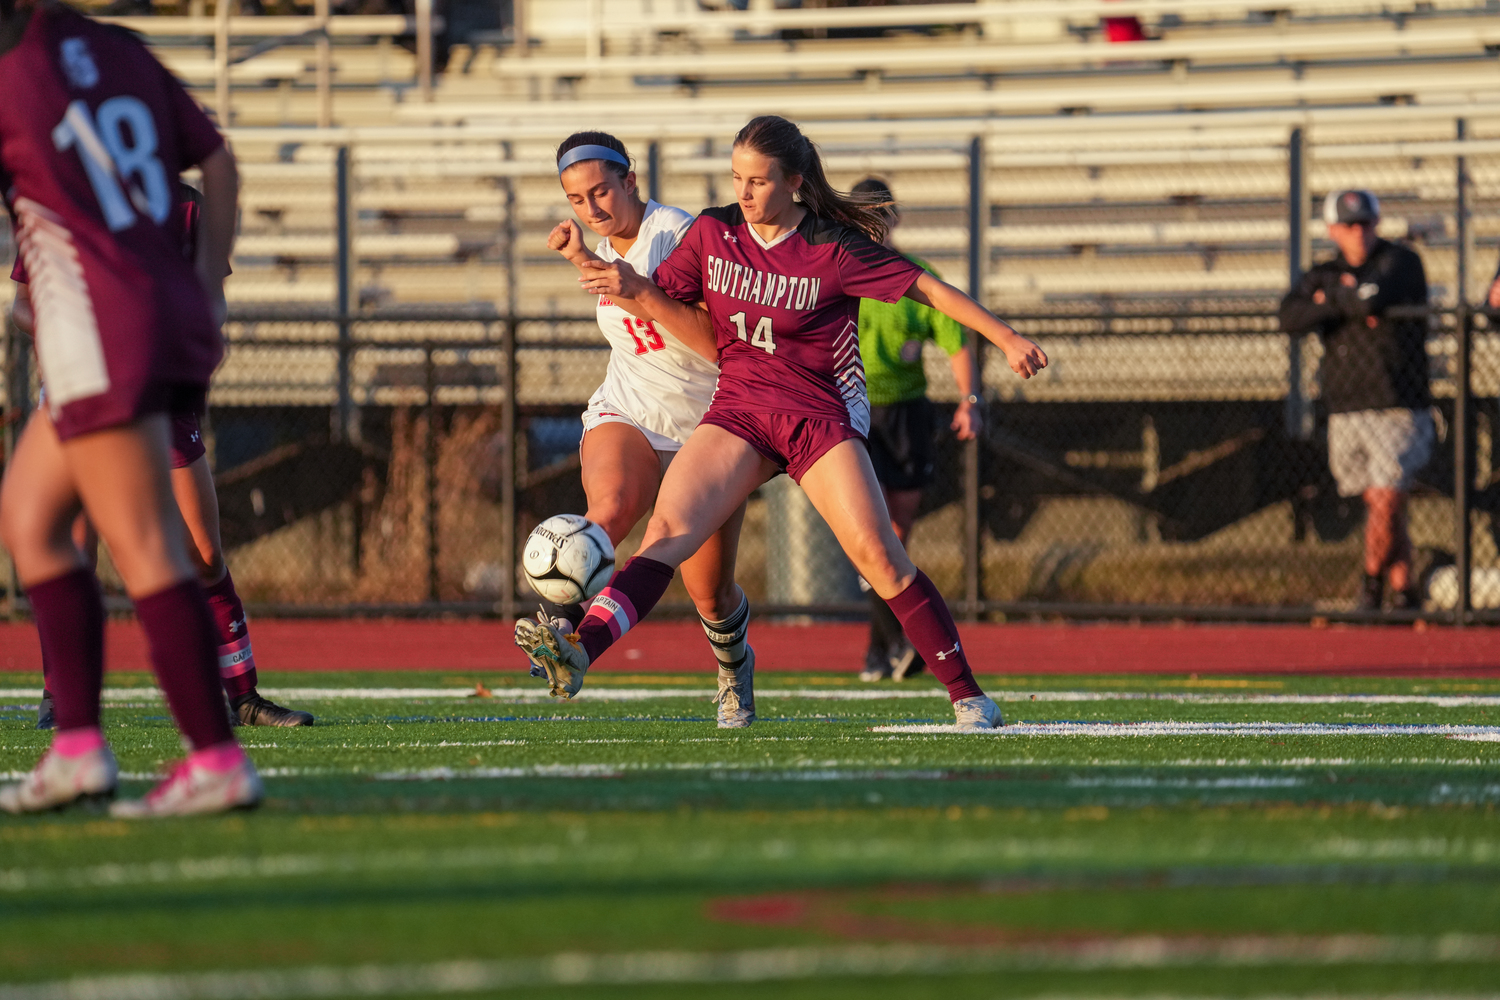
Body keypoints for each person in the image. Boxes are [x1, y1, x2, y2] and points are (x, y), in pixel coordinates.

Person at [514, 115, 1047, 730]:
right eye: (737, 178)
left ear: (795, 182)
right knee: (667, 532)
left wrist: (1004, 337)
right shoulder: (715, 231)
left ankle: (968, 694)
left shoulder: (832, 247)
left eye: (759, 181)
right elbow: (670, 315)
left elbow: (929, 290)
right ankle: (581, 651)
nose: (744, 193)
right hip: (738, 408)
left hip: (818, 413)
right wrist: (622, 279)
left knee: (879, 555)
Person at [0, 0, 261, 815]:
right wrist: (208, 279)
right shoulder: (113, 48)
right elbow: (216, 158)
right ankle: (76, 742)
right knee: (32, 517)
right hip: (154, 310)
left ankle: (214, 757)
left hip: (94, 323)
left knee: (147, 548)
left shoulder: (14, 73)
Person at [9, 187, 314, 730]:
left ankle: (243, 696)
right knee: (75, 555)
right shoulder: (62, 197)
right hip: (79, 391)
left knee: (202, 555)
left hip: (159, 395)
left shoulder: (188, 205)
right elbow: (25, 307)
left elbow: (210, 300)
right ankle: (62, 699)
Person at [539, 131, 755, 728]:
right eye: (577, 199)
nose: (592, 208)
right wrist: (580, 258)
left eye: (601, 191)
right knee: (608, 510)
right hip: (627, 411)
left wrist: (641, 291)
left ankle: (734, 669)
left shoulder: (683, 237)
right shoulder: (604, 244)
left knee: (710, 594)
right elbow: (620, 291)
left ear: (630, 180)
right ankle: (562, 623)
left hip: (709, 428)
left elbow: (720, 345)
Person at [848, 177, 982, 683]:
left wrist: (970, 400)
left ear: (895, 218)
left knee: (896, 534)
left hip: (906, 413)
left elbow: (956, 338)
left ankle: (881, 650)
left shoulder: (916, 275)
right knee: (872, 532)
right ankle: (902, 643)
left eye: (882, 213)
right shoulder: (836, 271)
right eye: (864, 214)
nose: (874, 224)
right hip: (853, 411)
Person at [1280, 189, 1432, 611]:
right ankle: (1406, 594)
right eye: (1349, 225)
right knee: (1385, 506)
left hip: (1396, 405)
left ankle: (1369, 586)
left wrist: (1329, 302)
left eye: (1365, 223)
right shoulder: (1324, 270)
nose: (1358, 233)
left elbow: (1372, 295)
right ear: (1333, 230)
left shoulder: (1399, 261)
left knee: (1386, 499)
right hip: (1347, 405)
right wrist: (1342, 298)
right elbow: (1289, 316)